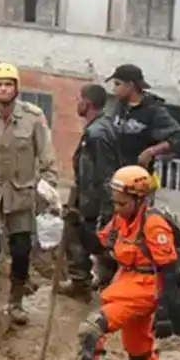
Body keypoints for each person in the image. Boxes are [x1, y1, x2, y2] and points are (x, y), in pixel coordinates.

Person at [62, 166, 179, 360]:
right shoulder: (120, 219)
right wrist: (78, 227)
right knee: (138, 352)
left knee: (92, 327)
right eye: (115, 202)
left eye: (122, 203)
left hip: (145, 288)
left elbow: (170, 268)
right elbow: (99, 247)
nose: (117, 208)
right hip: (127, 282)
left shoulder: (154, 224)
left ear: (139, 199)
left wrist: (165, 311)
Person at [0, 63, 60, 324]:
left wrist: (49, 186)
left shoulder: (33, 116)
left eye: (8, 84)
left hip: (21, 192)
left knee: (20, 249)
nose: (3, 89)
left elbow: (46, 154)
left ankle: (15, 302)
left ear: (16, 88)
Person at [61, 84, 122, 298]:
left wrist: (105, 210)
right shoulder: (101, 127)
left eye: (78, 98)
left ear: (87, 103)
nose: (76, 102)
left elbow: (104, 174)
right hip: (89, 197)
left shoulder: (97, 133)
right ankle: (102, 280)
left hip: (92, 201)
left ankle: (82, 283)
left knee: (78, 236)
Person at [107, 64, 180, 169]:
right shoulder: (120, 106)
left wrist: (151, 152)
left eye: (118, 84)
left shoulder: (153, 110)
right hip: (116, 171)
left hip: (139, 176)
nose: (114, 89)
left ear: (130, 85)